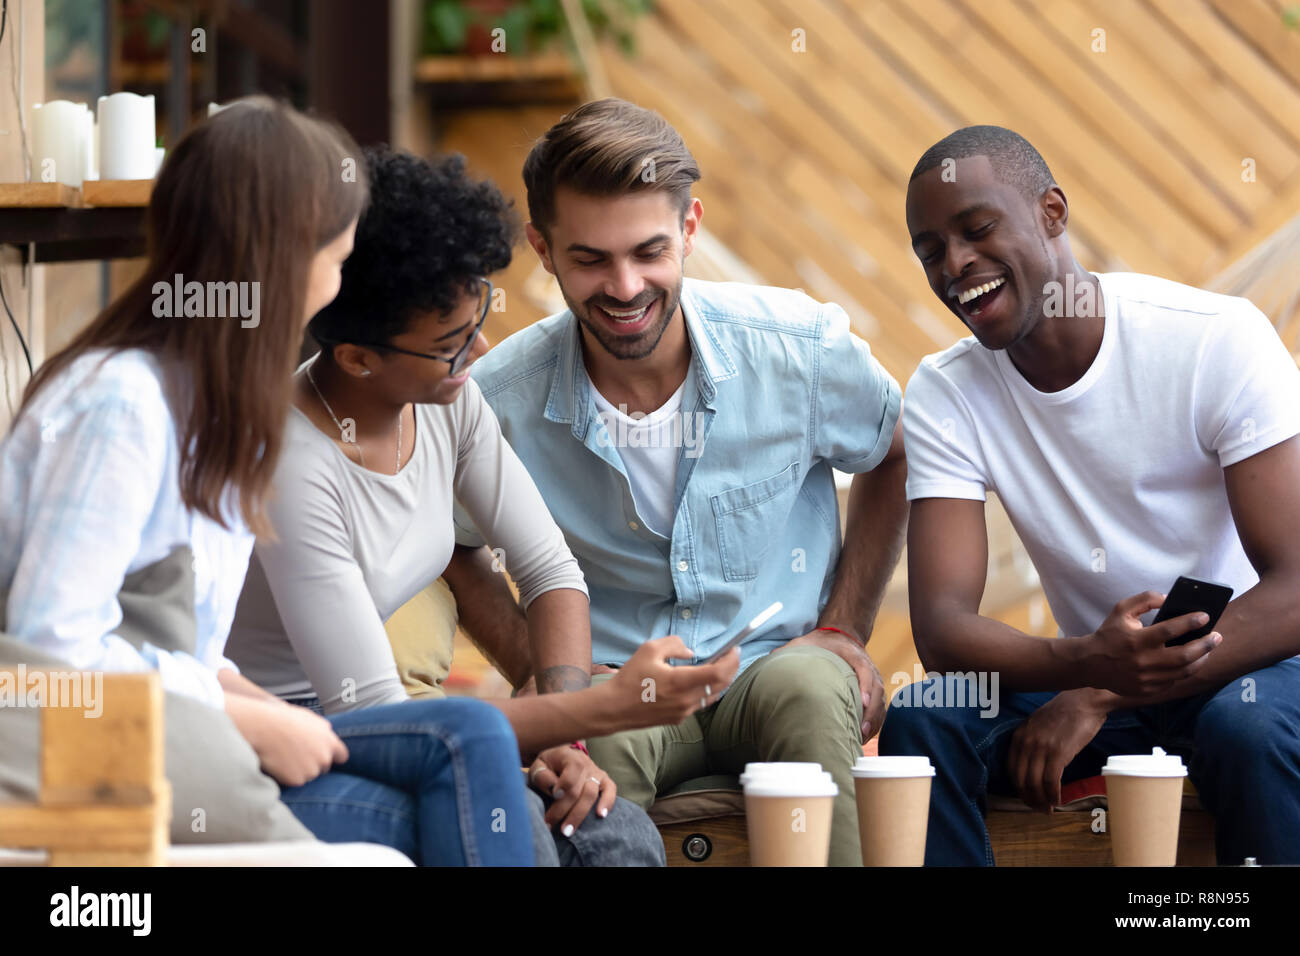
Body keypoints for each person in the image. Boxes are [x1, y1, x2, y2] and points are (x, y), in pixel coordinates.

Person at [0, 97, 538, 866]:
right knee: (446, 805)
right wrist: (246, 719)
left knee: (473, 735)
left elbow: (179, 642)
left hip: (182, 723)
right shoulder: (122, 406)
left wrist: (252, 708)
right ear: (284, 259)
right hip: (93, 749)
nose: (345, 273)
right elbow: (53, 652)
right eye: (338, 253)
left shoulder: (213, 404)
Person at [224, 145, 738, 866]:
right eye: (451, 344)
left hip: (402, 724)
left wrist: (563, 738)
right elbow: (371, 718)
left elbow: (550, 570)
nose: (480, 349)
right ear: (357, 358)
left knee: (617, 834)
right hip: (281, 737)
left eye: (476, 325)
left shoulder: (443, 402)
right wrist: (605, 703)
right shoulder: (292, 468)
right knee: (516, 830)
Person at [455, 98, 909, 867]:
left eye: (649, 251)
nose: (626, 287)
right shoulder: (498, 401)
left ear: (690, 229)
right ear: (542, 247)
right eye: (591, 259)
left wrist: (843, 628)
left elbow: (894, 453)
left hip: (776, 659)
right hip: (615, 679)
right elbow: (455, 545)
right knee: (592, 753)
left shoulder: (797, 349)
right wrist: (541, 672)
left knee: (810, 684)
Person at [882, 124, 1300, 865]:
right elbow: (942, 627)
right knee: (925, 717)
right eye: (930, 252)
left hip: (1251, 663)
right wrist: (1084, 662)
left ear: (1051, 212)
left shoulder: (1211, 340)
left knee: (1251, 729)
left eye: (977, 229)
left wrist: (1105, 693)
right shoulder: (947, 391)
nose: (955, 265)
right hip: (1095, 668)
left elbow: (1297, 589)